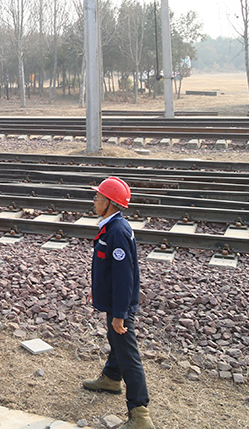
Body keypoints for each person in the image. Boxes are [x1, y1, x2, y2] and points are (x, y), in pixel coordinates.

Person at [83, 176, 155, 429]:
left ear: (109, 203)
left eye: (98, 197)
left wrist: (120, 314)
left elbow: (124, 277)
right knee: (116, 340)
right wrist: (97, 290)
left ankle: (140, 414)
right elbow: (108, 269)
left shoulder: (117, 231)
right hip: (114, 301)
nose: (94, 200)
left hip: (120, 304)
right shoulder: (111, 226)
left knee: (128, 354)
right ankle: (112, 378)